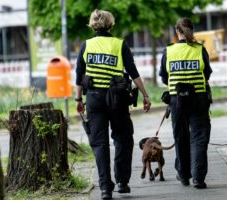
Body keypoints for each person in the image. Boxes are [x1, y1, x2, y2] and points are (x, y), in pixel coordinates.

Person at [75, 9, 151, 200]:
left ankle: (105, 189)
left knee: (100, 144)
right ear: (110, 24)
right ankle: (122, 182)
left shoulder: (86, 46)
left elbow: (79, 75)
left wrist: (78, 100)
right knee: (124, 138)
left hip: (93, 98)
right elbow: (133, 72)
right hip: (117, 99)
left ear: (93, 24)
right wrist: (145, 95)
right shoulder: (119, 44)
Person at [159, 17, 212, 189]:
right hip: (198, 98)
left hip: (177, 100)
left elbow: (163, 76)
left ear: (177, 32)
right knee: (199, 137)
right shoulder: (200, 49)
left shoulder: (169, 51)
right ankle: (198, 178)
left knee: (180, 137)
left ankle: (183, 175)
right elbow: (207, 73)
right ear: (191, 30)